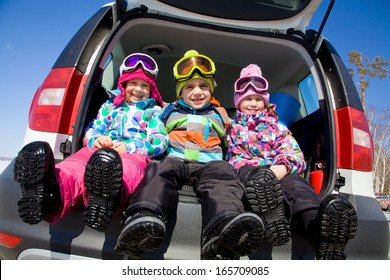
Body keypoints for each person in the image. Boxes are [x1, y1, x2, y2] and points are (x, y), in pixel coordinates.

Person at [114, 50, 265, 260]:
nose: (197, 92)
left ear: (211, 89)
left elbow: (235, 140)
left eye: (204, 86)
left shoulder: (219, 113)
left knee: (223, 176)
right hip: (175, 159)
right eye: (189, 87)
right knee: (158, 170)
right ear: (180, 91)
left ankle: (223, 227)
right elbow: (151, 128)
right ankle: (144, 217)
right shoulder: (167, 110)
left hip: (208, 163)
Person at [13, 53, 169, 232]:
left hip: (133, 154)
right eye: (133, 83)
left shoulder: (154, 112)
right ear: (124, 84)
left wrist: (130, 147)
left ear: (151, 90)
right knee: (77, 163)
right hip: (100, 151)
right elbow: (91, 130)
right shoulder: (109, 107)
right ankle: (51, 193)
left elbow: (160, 140)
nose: (138, 89)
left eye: (144, 85)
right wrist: (96, 140)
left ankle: (109, 198)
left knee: (129, 169)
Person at [227, 64, 358, 260]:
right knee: (249, 175)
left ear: (265, 103)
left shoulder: (277, 127)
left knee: (298, 186)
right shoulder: (232, 127)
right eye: (248, 99)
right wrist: (259, 173)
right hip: (250, 174)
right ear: (238, 102)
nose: (253, 103)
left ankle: (320, 231)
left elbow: (294, 154)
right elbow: (233, 156)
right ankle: (272, 214)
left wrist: (279, 169)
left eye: (257, 99)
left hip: (278, 171)